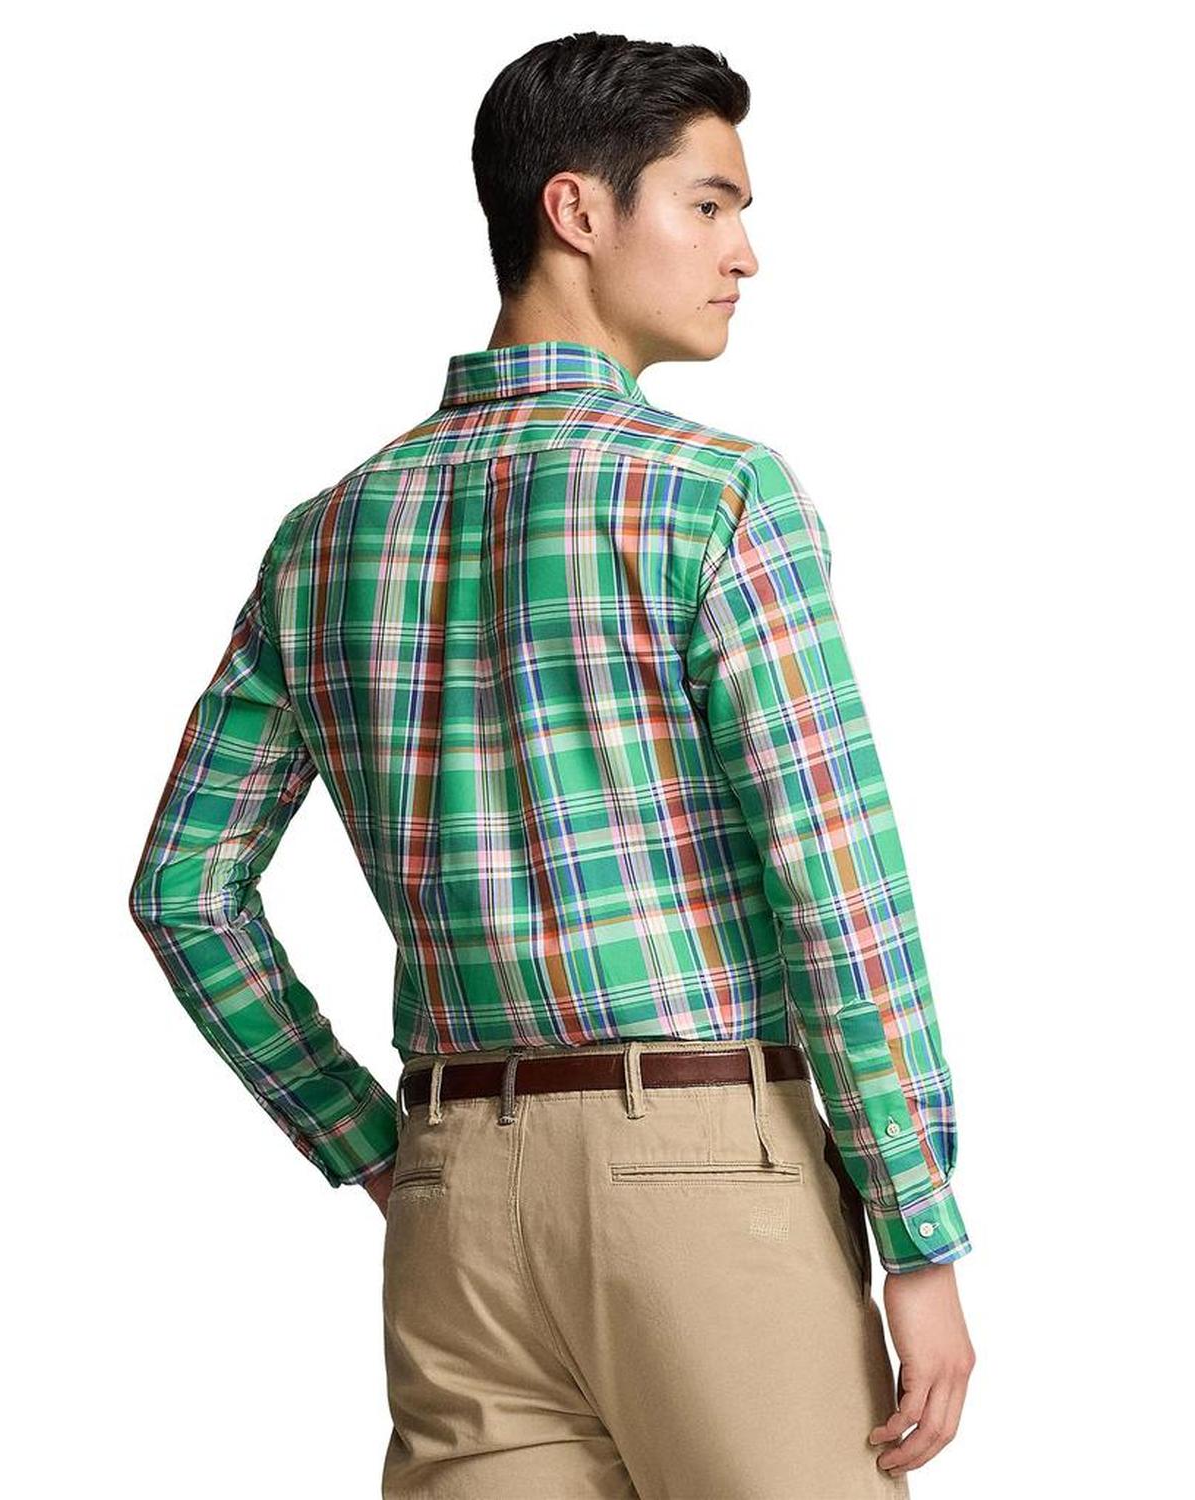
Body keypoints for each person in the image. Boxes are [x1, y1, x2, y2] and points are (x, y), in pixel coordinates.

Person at [128, 29, 976, 1499]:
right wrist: (917, 1228)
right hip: (709, 1173)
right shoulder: (715, 497)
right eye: (708, 204)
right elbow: (834, 879)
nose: (745, 253)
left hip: (455, 1199)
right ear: (575, 210)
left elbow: (183, 891)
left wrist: (371, 1143)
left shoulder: (328, 532)